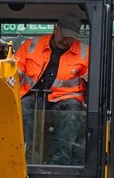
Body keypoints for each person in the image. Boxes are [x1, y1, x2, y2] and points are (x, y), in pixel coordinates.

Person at [15, 13, 89, 165]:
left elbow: (93, 81)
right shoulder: (30, 47)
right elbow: (13, 73)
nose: (67, 41)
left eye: (71, 37)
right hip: (33, 96)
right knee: (22, 107)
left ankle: (61, 163)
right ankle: (25, 160)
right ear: (56, 29)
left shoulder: (85, 53)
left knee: (73, 111)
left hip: (65, 99)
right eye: (64, 35)